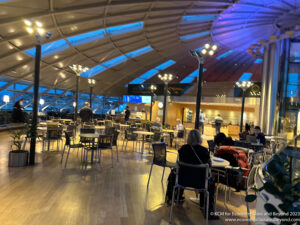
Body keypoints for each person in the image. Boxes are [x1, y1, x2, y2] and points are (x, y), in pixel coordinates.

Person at [166, 130, 219, 220]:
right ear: (199, 139)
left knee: (175, 173)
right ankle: (207, 210)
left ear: (188, 138)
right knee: (210, 183)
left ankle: (174, 197)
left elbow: (181, 164)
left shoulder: (183, 149)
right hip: (200, 183)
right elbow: (209, 166)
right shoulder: (204, 151)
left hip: (182, 181)